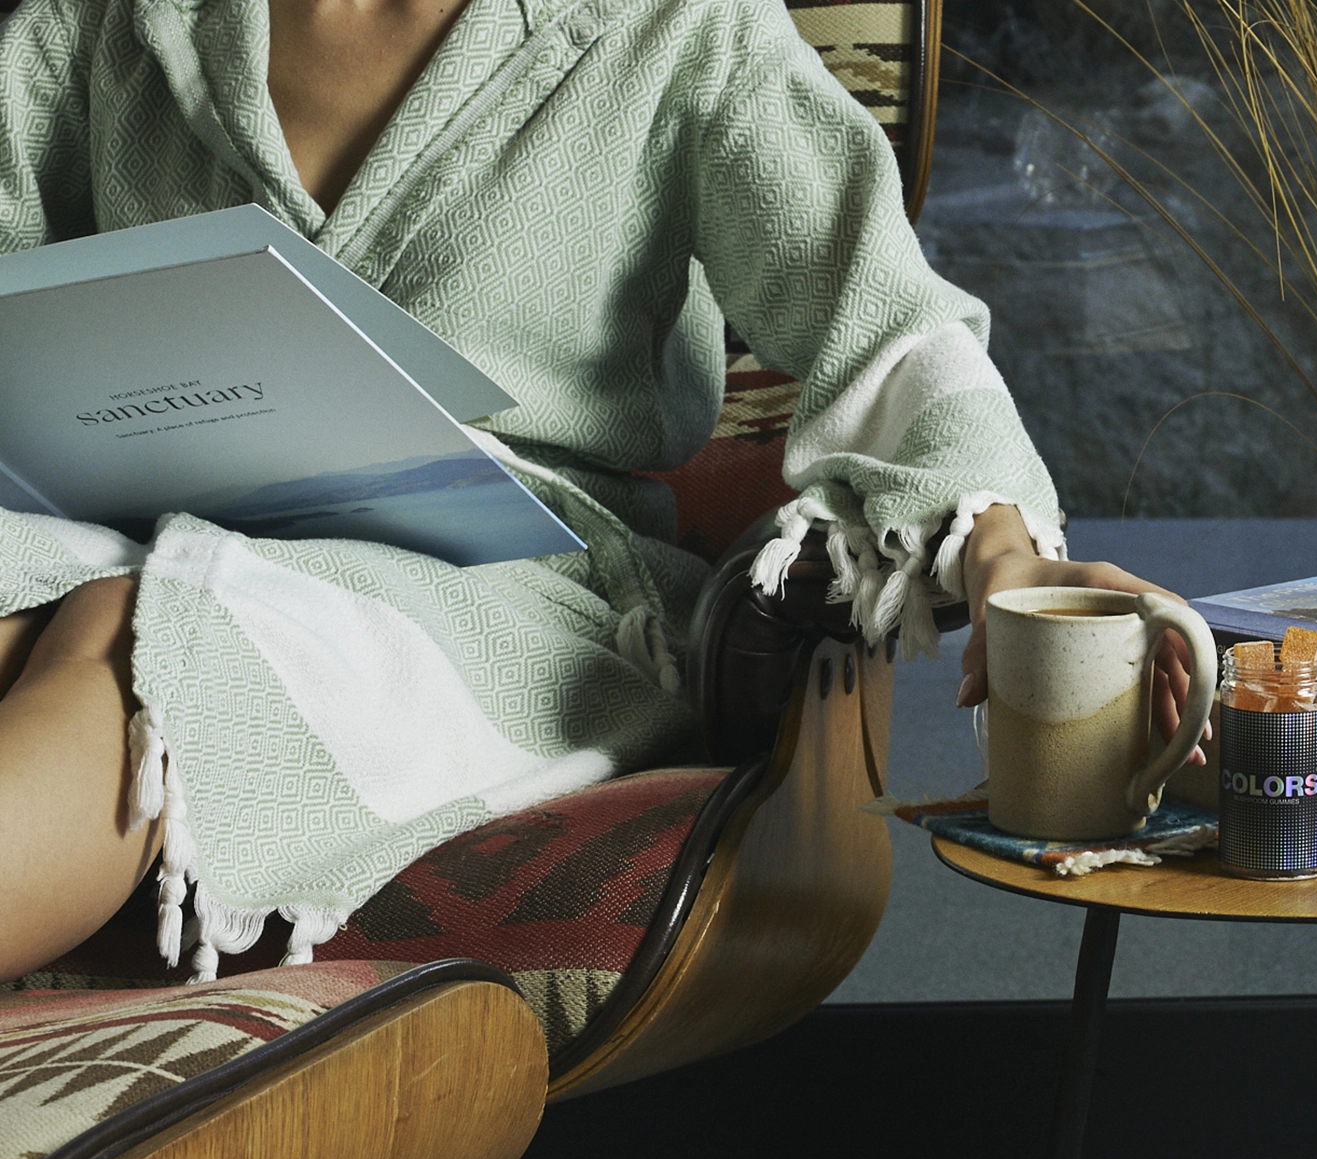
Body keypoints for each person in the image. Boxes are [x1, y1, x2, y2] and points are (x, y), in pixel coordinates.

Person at [0, 0, 1199, 984]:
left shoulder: (675, 26)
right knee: (46, 602)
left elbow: (883, 324)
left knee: (140, 631)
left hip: (515, 597)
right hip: (122, 526)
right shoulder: (110, 22)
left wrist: (1004, 556)